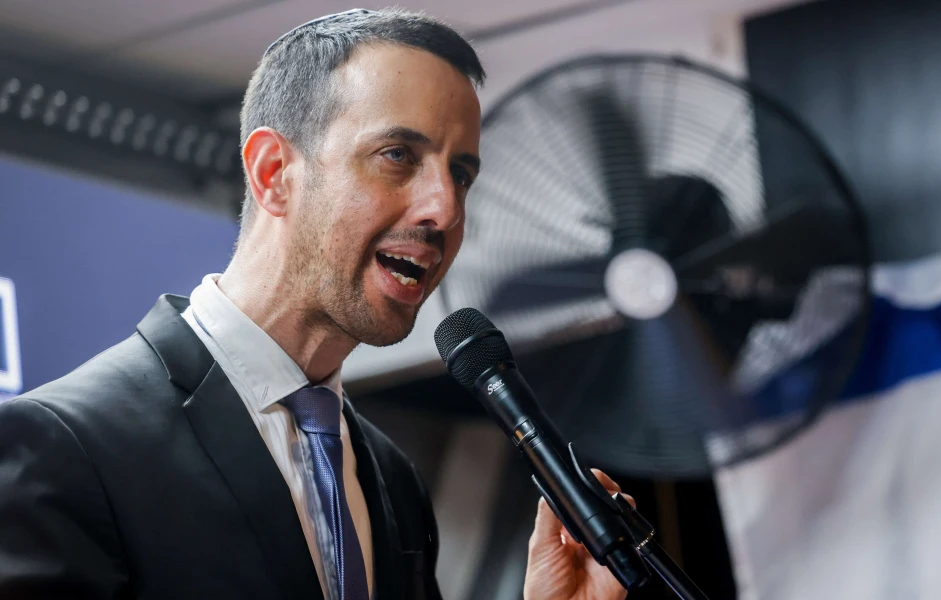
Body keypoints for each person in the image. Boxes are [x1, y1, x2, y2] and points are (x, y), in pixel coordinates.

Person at [0, 9, 629, 600]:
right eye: (397, 156)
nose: (446, 208)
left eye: (460, 173)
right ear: (274, 172)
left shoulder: (391, 477)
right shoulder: (63, 447)